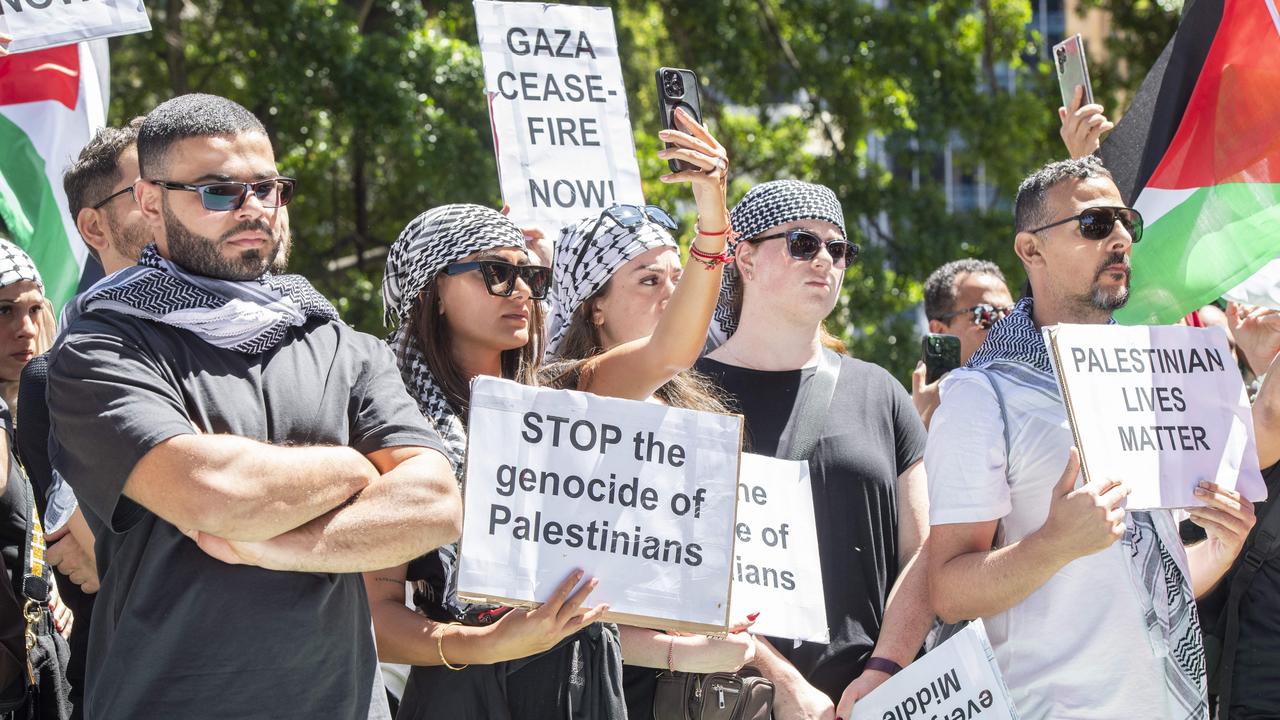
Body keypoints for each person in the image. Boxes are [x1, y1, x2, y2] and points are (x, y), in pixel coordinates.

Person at [45, 93, 462, 719]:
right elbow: (216, 493)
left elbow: (435, 505)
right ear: (150, 202)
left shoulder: (340, 343)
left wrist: (275, 547)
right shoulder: (102, 345)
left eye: (268, 190)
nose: (252, 210)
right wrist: (354, 469)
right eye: (218, 192)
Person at [369, 107, 734, 720]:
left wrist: (712, 214)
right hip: (467, 686)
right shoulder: (396, 425)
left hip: (584, 674)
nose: (521, 292)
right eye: (496, 273)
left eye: (532, 278)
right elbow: (379, 617)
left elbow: (672, 350)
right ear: (430, 292)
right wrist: (488, 643)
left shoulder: (561, 400)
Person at [926, 156, 1256, 720]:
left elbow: (1151, 583)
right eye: (1095, 224)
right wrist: (1053, 543)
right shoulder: (982, 395)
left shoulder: (1157, 371)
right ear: (1031, 250)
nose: (1122, 237)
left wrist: (1221, 549)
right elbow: (949, 590)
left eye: (1126, 222)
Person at [699, 179, 932, 720]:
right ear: (746, 258)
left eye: (839, 248)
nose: (825, 259)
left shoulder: (880, 392)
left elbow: (922, 554)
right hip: (738, 699)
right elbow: (673, 569)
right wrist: (780, 680)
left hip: (868, 702)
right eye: (803, 242)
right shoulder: (686, 394)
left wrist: (884, 671)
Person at [547, 206, 755, 719]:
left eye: (678, 280)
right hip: (592, 686)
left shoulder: (693, 411)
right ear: (595, 307)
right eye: (649, 279)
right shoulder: (574, 393)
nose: (673, 293)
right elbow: (566, 602)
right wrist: (712, 212)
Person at [912, 259, 1013, 428]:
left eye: (1011, 313)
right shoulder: (904, 415)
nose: (1005, 325)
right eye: (985, 315)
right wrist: (923, 425)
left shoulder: (1043, 396)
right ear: (939, 330)